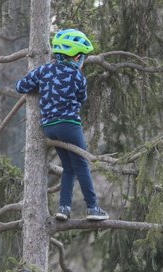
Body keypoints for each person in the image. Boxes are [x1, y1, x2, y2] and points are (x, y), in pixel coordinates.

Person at [15, 28, 109, 222]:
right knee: (81, 165)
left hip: (49, 128)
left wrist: (40, 86)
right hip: (69, 126)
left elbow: (20, 86)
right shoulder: (78, 77)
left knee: (69, 167)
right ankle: (92, 208)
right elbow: (81, 99)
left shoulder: (44, 70)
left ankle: (63, 208)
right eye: (81, 57)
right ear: (76, 57)